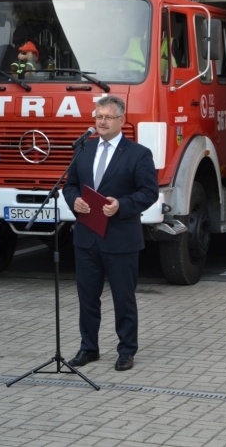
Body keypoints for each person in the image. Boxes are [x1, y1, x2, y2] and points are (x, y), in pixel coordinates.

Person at [62, 95, 158, 372]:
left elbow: (149, 192)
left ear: (121, 120)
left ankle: (126, 350)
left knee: (123, 298)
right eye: (98, 116)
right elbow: (71, 186)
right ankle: (88, 348)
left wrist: (122, 205)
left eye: (107, 117)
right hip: (87, 236)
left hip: (120, 238)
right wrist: (74, 201)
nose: (101, 122)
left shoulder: (138, 154)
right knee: (87, 297)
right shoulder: (84, 150)